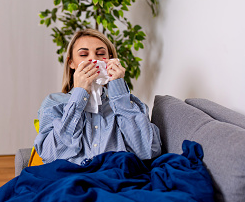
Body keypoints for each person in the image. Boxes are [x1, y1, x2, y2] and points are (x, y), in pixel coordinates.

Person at [34, 28, 162, 165]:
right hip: (71, 178)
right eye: (83, 54)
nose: (93, 59)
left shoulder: (127, 103)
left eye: (100, 54)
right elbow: (50, 155)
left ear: (111, 60)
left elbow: (147, 150)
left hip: (117, 177)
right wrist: (78, 96)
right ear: (71, 63)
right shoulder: (54, 102)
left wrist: (118, 90)